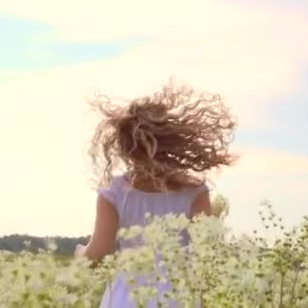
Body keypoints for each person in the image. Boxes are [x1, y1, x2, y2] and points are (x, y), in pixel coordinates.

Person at [75, 82, 237, 307]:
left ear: (124, 147)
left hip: (126, 298)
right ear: (171, 143)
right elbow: (206, 255)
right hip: (179, 297)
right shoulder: (195, 192)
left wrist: (80, 254)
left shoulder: (114, 194)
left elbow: (98, 254)